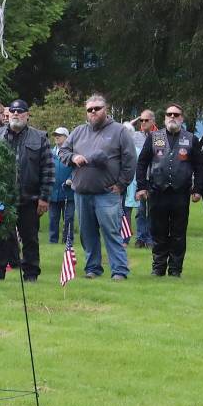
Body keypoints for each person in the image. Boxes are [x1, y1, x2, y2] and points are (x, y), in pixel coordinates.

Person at [59, 94, 136, 280]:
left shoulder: (119, 131)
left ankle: (119, 271)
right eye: (89, 109)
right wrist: (72, 158)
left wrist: (121, 184)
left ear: (105, 109)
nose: (93, 112)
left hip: (107, 193)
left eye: (97, 108)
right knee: (87, 233)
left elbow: (130, 160)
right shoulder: (78, 131)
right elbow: (63, 151)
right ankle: (92, 268)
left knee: (111, 231)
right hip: (82, 192)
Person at [135, 104, 203, 277]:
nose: (172, 117)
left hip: (180, 192)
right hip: (158, 191)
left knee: (178, 233)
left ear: (182, 118)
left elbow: (200, 167)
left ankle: (175, 269)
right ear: (164, 117)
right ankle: (158, 268)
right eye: (169, 114)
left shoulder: (190, 138)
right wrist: (142, 186)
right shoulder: (153, 137)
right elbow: (142, 163)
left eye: (176, 114)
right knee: (158, 231)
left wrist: (197, 189)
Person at [0, 99, 53, 280]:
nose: (16, 114)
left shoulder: (40, 137)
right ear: (7, 115)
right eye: (13, 111)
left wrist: (44, 198)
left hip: (30, 198)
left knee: (30, 239)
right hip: (2, 198)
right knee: (0, 238)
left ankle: (31, 274)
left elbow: (48, 170)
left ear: (27, 115)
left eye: (20, 111)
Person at [131, 109, 157, 247]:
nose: (143, 123)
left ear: (153, 121)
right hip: (140, 179)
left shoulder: (158, 136)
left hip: (153, 179)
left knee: (152, 210)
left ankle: (151, 238)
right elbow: (124, 130)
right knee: (140, 210)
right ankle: (141, 238)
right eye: (141, 120)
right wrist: (133, 121)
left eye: (146, 120)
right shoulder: (135, 136)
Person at [48, 127, 74, 244]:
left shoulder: (72, 153)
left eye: (60, 135)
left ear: (67, 138)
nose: (57, 137)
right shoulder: (50, 153)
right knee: (53, 218)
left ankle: (67, 240)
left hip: (69, 192)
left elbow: (77, 170)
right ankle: (53, 241)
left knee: (68, 218)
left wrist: (70, 179)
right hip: (53, 193)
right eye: (55, 135)